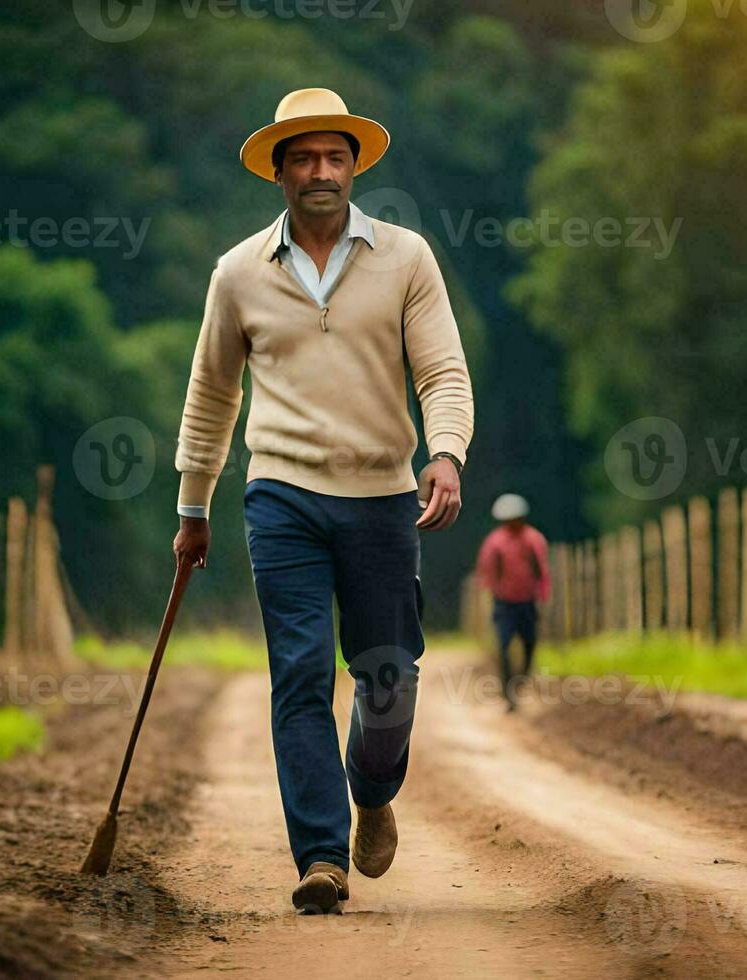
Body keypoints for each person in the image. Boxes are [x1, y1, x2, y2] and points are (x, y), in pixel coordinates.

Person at [171, 88, 474, 914]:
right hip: (283, 498)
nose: (320, 172)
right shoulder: (237, 273)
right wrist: (193, 505)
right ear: (278, 172)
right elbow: (211, 396)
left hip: (383, 498)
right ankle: (320, 856)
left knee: (387, 678)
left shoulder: (406, 258)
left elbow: (442, 372)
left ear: (354, 167)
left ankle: (372, 794)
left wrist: (444, 454)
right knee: (298, 673)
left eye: (334, 158)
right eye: (302, 158)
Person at [475, 494, 549, 710]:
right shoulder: (495, 542)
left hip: (527, 600)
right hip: (504, 602)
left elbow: (541, 569)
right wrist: (489, 594)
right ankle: (508, 692)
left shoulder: (533, 539)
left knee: (530, 642)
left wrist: (542, 594)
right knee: (503, 645)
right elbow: (486, 571)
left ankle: (522, 679)